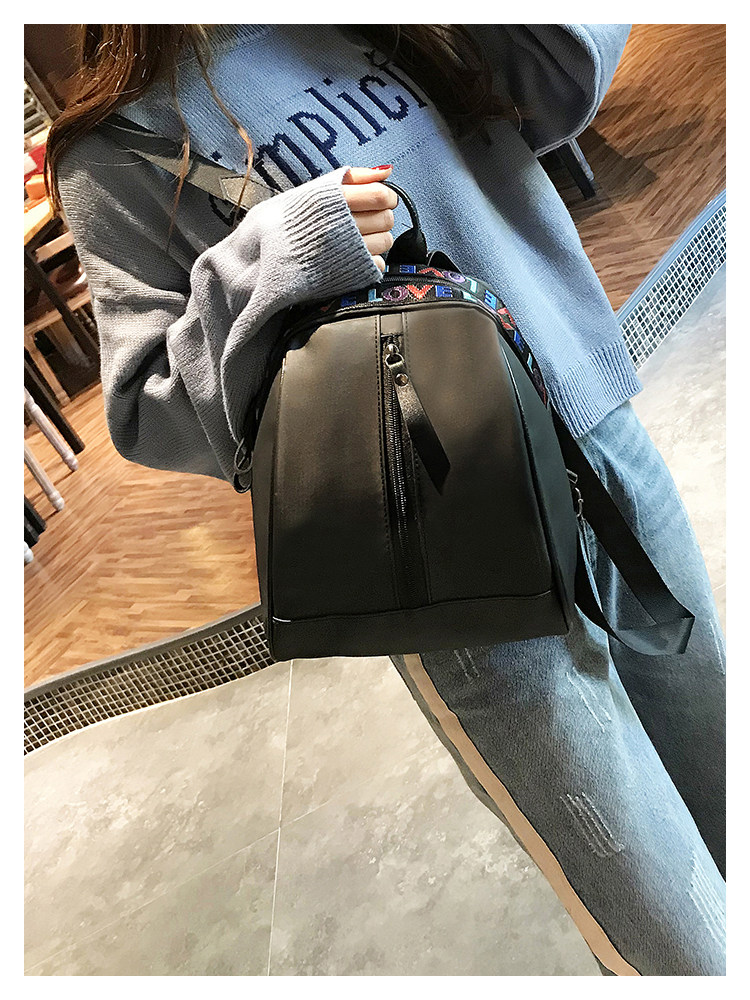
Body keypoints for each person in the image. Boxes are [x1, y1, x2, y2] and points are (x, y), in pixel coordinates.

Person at [46, 24, 726, 976]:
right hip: (444, 552)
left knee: (720, 765)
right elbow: (144, 404)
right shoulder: (116, 146)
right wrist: (279, 254)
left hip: (600, 436)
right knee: (664, 916)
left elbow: (563, 78)